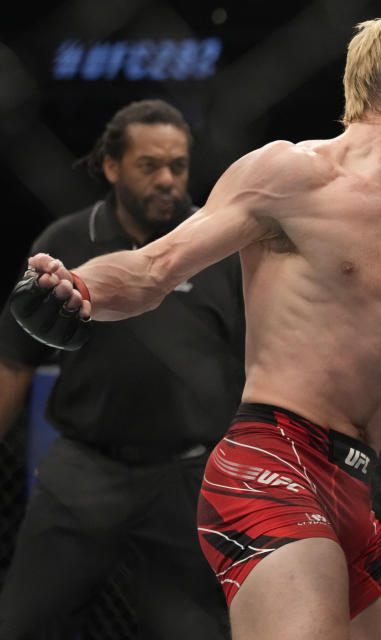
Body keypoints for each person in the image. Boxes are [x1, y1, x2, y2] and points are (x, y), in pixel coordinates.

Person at [8, 11, 381, 640]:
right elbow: (152, 268)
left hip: (354, 491)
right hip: (269, 464)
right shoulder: (294, 176)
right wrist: (79, 285)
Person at [0, 99, 243, 639]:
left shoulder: (220, 244)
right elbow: (13, 360)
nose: (166, 180)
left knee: (198, 630)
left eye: (177, 166)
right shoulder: (63, 243)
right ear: (111, 166)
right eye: (148, 165)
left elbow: (261, 363)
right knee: (22, 624)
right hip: (86, 470)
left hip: (190, 477)